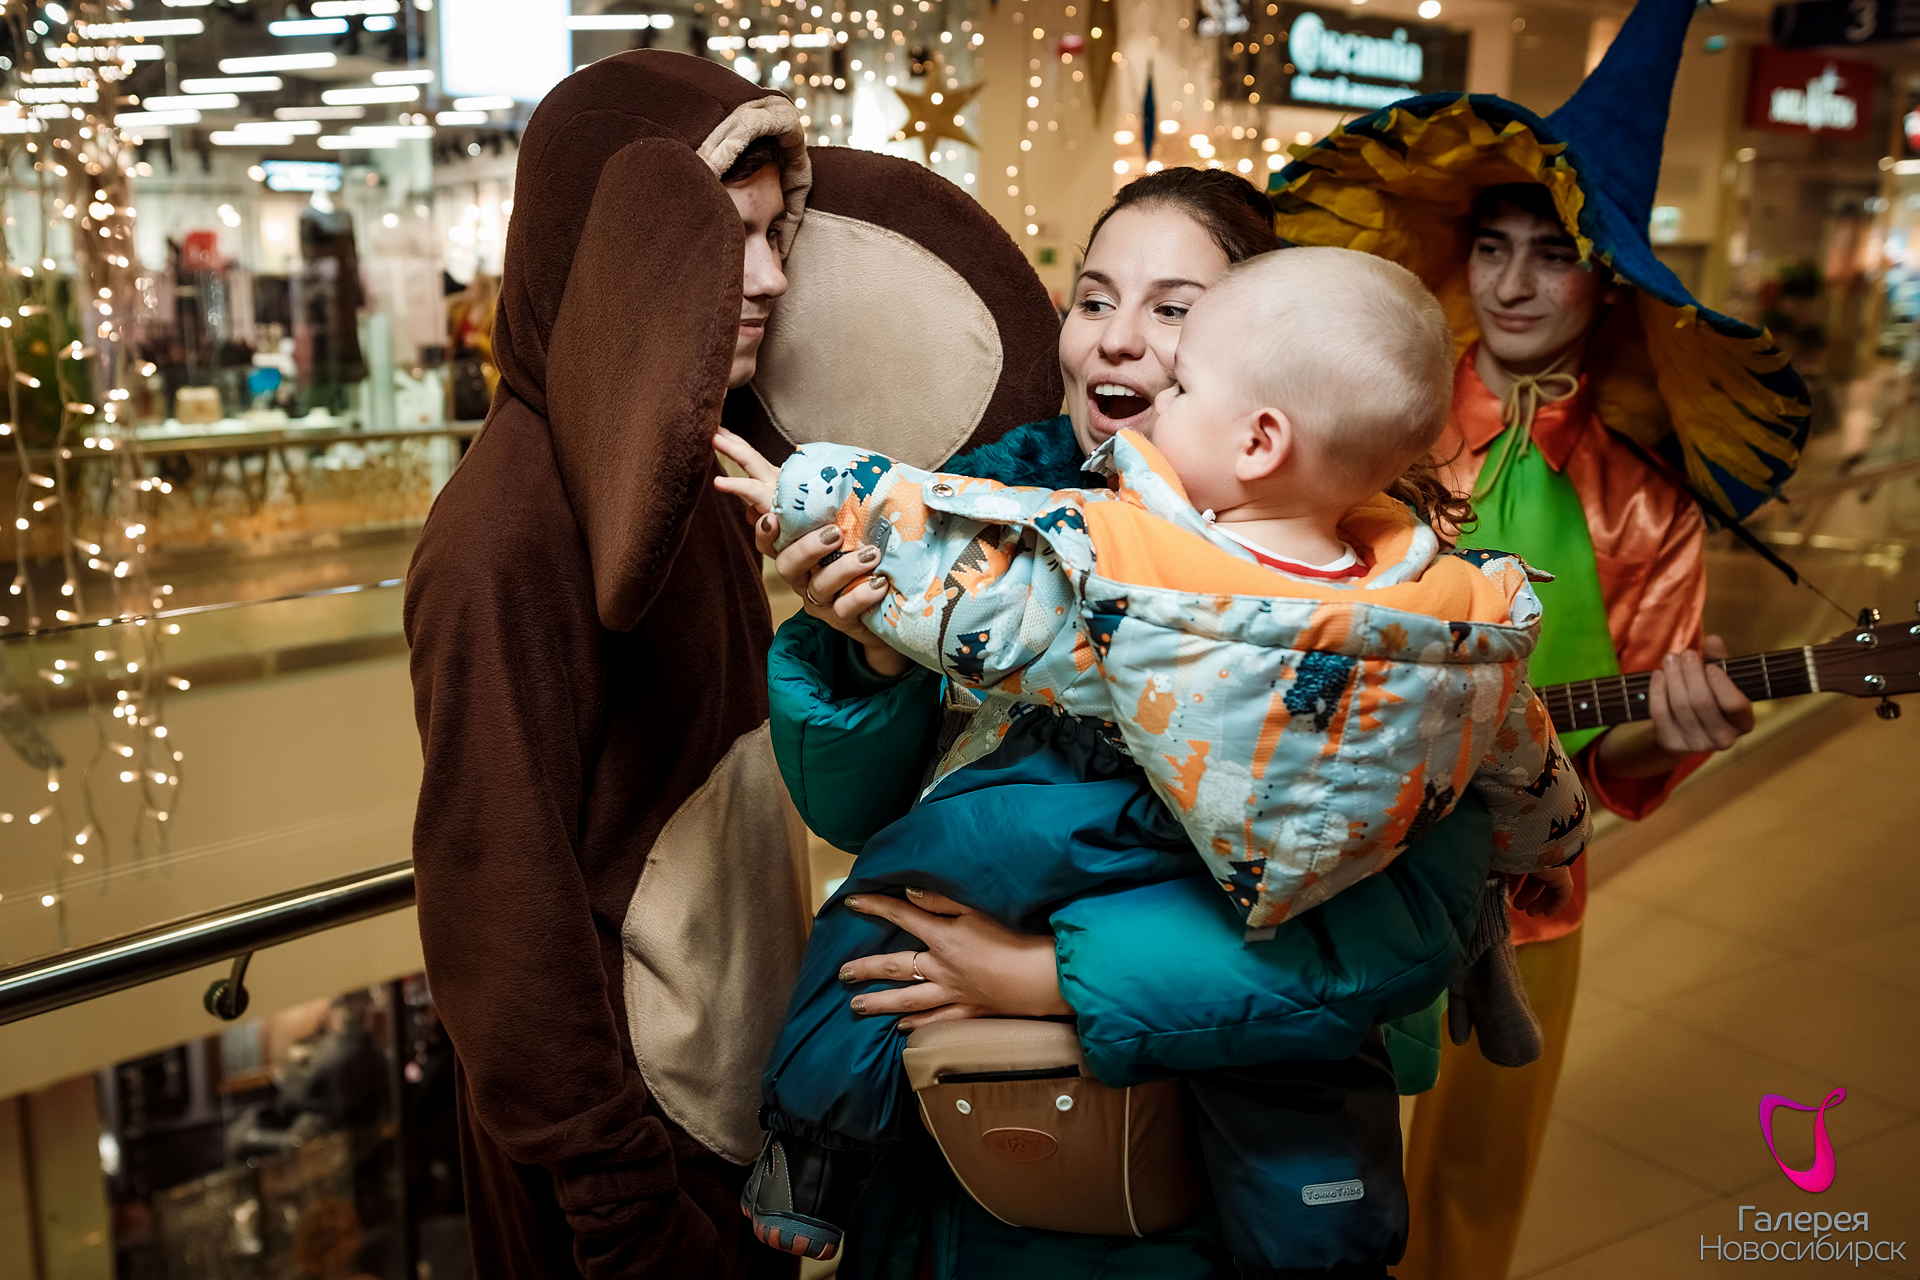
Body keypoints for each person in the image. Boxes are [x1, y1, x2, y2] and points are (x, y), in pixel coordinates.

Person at [718, 245, 1592, 1272]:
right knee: (1299, 1115)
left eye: (1179, 332)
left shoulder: (1146, 574)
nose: (1139, 354)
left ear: (1260, 438)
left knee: (882, 898)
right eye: (1095, 298)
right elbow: (1523, 755)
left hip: (1118, 851)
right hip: (1273, 927)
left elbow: (986, 594)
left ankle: (813, 1149)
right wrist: (1549, 842)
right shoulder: (1452, 612)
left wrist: (818, 494)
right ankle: (1329, 1239)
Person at [404, 51, 1067, 1278]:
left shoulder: (682, 469)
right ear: (618, 259)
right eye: (723, 243)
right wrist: (625, 1208)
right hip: (627, 1186)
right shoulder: (505, 537)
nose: (766, 278)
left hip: (714, 1123)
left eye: (774, 237)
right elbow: (498, 910)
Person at [1268, 0, 1810, 1272]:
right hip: (1329, 863)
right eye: (1492, 247)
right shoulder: (1377, 419)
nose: (1512, 284)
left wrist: (1673, 733)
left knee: (1474, 1174)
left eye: (1551, 255)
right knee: (1305, 1163)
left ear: (1604, 274)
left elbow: (1615, 763)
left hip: (1529, 899)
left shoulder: (1646, 502)